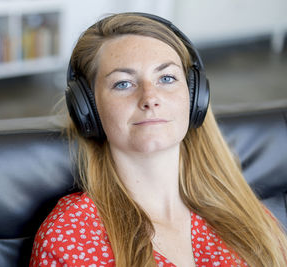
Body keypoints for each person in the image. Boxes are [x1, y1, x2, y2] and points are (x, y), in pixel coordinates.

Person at [29, 12, 287, 267]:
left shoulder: (245, 214)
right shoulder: (70, 236)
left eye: (166, 78)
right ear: (88, 108)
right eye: (123, 84)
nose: (150, 98)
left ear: (195, 97)